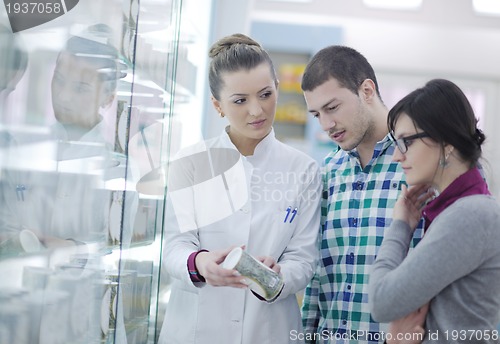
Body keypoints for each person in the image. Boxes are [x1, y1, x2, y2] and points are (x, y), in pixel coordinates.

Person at [159, 33, 322, 344]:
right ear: (218, 105)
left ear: (277, 86)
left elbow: (303, 259)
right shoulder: (191, 163)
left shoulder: (304, 170)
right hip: (195, 330)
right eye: (240, 100)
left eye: (265, 94)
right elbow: (174, 246)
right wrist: (201, 264)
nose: (257, 111)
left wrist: (278, 277)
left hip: (269, 330)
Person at [300, 45, 425, 343]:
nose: (326, 125)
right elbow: (317, 277)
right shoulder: (327, 171)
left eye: (332, 108)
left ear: (367, 90)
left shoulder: (419, 162)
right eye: (316, 114)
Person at [369, 78, 500, 343]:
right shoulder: (455, 209)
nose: (396, 155)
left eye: (406, 141)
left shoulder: (470, 215)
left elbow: (381, 302)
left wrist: (400, 226)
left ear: (446, 142)